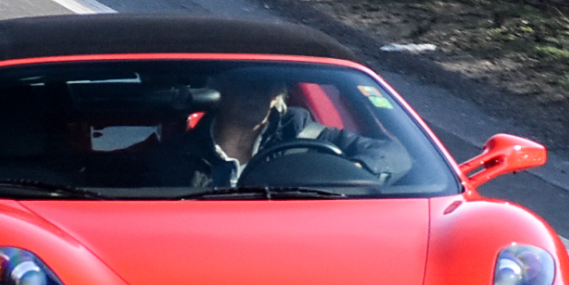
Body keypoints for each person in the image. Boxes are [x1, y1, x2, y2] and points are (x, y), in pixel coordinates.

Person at [162, 69, 411, 190]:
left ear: (277, 95)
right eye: (243, 82)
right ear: (220, 90)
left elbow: (395, 154)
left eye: (265, 84)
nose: (254, 93)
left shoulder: (305, 133)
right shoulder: (175, 158)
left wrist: (355, 170)